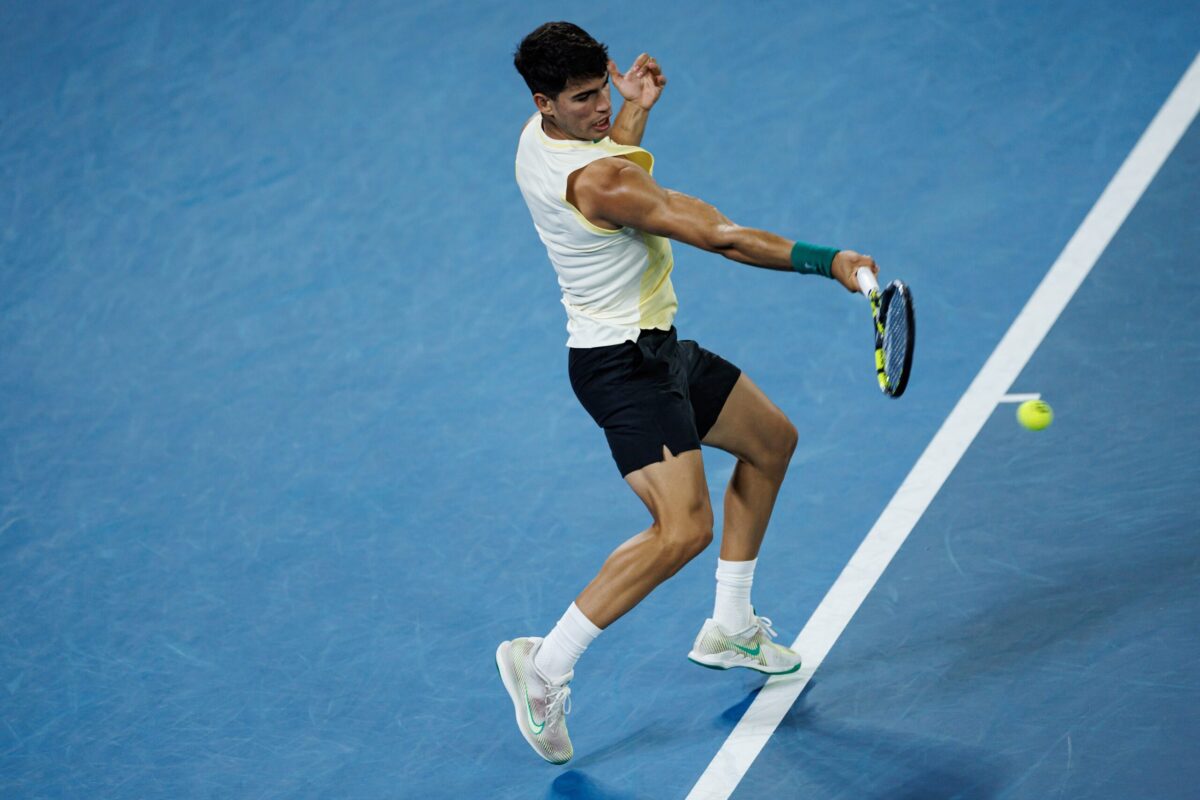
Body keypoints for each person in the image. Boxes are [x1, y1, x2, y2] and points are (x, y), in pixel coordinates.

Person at [496, 21, 878, 765]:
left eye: (602, 87)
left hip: (658, 347)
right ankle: (543, 665)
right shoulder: (601, 182)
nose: (600, 107)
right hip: (621, 368)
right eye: (583, 100)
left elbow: (613, 152)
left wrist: (633, 111)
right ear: (546, 100)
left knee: (772, 442)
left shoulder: (544, 135)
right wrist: (827, 261)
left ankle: (730, 624)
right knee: (681, 530)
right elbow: (721, 237)